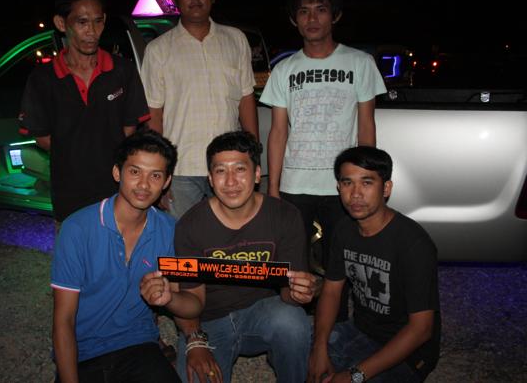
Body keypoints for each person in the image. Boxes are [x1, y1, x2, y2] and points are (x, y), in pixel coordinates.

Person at [50, 130, 203, 383]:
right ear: (117, 173)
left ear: (167, 182)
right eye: (135, 172)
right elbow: (63, 320)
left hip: (138, 345)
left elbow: (194, 305)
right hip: (83, 351)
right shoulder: (77, 229)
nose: (144, 185)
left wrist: (170, 298)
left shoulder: (170, 231)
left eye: (155, 175)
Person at [259, 0, 387, 275]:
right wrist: (273, 188)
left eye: (321, 10)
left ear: (335, 15)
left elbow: (366, 124)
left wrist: (367, 179)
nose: (312, 18)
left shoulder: (360, 63)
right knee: (291, 261)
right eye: (304, 11)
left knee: (339, 262)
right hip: (294, 184)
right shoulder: (284, 69)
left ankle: (336, 306)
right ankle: (293, 305)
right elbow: (278, 132)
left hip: (342, 183)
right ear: (294, 20)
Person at [173, 131, 319, 383]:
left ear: (257, 174)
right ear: (210, 179)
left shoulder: (285, 216)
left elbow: (288, 291)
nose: (230, 181)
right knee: (194, 375)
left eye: (240, 169)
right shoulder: (190, 225)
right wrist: (194, 341)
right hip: (210, 321)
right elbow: (193, 299)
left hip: (262, 310)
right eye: (221, 171)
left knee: (293, 323)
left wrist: (300, 292)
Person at [19, 0, 150, 223]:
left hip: (116, 191)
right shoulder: (43, 79)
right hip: (69, 194)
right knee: (73, 246)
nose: (92, 31)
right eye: (82, 22)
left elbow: (129, 127)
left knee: (118, 245)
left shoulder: (122, 70)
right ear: (61, 23)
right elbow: (42, 137)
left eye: (98, 21)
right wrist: (77, 154)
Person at [309, 146, 440, 383]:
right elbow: (331, 291)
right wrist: (319, 349)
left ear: (386, 188)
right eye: (347, 183)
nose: (355, 194)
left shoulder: (413, 243)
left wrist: (355, 376)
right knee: (298, 351)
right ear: (338, 188)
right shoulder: (344, 229)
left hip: (408, 353)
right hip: (361, 331)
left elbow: (421, 329)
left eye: (367, 183)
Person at [140, 0, 258, 219]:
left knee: (231, 235)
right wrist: (159, 172)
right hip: (181, 169)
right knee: (182, 237)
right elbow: (154, 114)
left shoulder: (235, 40)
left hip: (230, 164)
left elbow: (246, 99)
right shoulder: (158, 50)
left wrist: (253, 154)